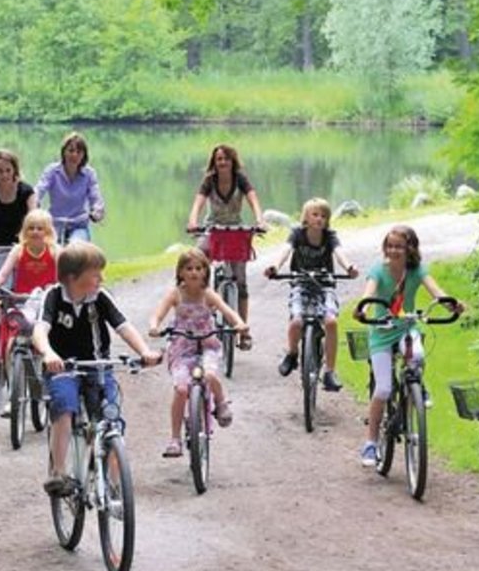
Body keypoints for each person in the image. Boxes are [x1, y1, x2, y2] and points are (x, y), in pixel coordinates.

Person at [32, 242, 161, 495]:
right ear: (72, 277)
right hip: (64, 368)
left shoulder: (99, 297)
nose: (101, 278)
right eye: (95, 274)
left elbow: (122, 326)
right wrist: (48, 353)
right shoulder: (54, 297)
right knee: (64, 407)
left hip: (97, 367)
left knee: (111, 420)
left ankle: (114, 488)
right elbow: (40, 330)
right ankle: (58, 473)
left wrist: (144, 352)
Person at [356, 225, 463, 467]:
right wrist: (362, 308)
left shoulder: (417, 271)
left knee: (418, 354)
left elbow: (436, 291)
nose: (394, 251)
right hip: (382, 331)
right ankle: (371, 442)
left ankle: (417, 387)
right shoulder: (378, 270)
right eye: (390, 246)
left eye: (399, 247)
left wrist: (451, 305)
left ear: (410, 249)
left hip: (406, 326)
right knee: (383, 389)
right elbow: (368, 292)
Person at [148, 249, 249, 458]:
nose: (194, 272)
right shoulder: (175, 293)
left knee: (210, 375)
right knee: (181, 389)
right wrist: (154, 326)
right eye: (189, 268)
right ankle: (175, 439)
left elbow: (228, 312)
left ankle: (220, 403)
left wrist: (239, 324)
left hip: (207, 346)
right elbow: (157, 315)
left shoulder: (208, 294)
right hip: (181, 349)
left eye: (199, 268)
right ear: (181, 273)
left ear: (206, 272)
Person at [263, 198, 359, 392]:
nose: (319, 219)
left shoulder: (330, 237)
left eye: (323, 216)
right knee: (296, 321)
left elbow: (339, 253)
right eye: (315, 215)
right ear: (305, 218)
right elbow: (286, 250)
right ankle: (292, 354)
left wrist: (349, 267)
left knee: (331, 322)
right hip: (301, 284)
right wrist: (275, 266)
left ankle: (330, 372)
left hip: (325, 286)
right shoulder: (297, 234)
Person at [186, 144, 264, 348]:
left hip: (236, 231)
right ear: (214, 162)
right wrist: (193, 221)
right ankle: (199, 304)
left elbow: (253, 199)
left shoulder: (240, 179)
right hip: (213, 229)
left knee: (241, 282)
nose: (222, 162)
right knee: (196, 259)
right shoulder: (209, 180)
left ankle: (244, 331)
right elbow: (198, 203)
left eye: (226, 159)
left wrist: (259, 220)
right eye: (219, 159)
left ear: (233, 162)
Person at [0, 209, 58, 330]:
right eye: (31, 228)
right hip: (21, 299)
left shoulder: (55, 251)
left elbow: (65, 277)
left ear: (47, 232)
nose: (35, 232)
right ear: (25, 231)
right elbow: (3, 274)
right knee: (11, 326)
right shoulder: (18, 250)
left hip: (47, 301)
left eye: (40, 229)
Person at [35, 132, 105, 243]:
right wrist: (34, 204)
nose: (75, 155)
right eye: (71, 150)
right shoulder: (52, 171)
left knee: (76, 249)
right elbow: (39, 190)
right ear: (64, 152)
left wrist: (97, 211)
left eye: (79, 152)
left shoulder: (89, 174)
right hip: (54, 224)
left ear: (84, 155)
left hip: (78, 224)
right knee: (51, 252)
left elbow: (96, 197)